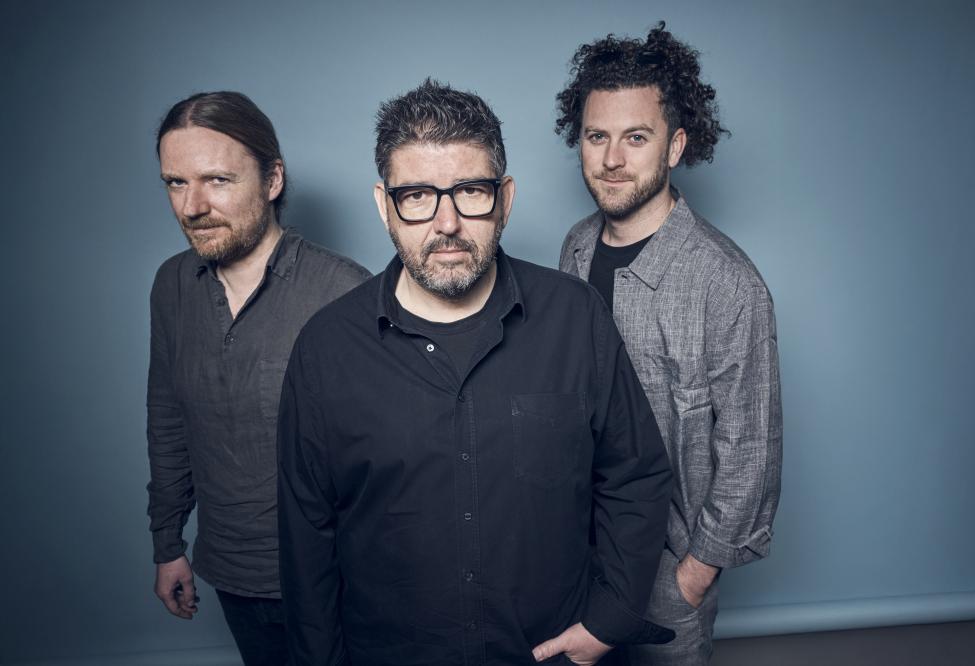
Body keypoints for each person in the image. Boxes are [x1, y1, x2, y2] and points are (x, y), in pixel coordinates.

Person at [277, 79, 675, 666]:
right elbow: (306, 536)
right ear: (385, 206)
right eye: (417, 196)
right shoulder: (325, 348)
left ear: (505, 199)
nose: (447, 223)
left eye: (470, 192)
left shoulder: (576, 317)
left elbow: (634, 476)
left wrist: (609, 619)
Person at [556, 22, 783, 666]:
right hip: (574, 552)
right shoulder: (575, 246)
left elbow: (750, 448)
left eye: (636, 137)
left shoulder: (727, 282)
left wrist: (694, 575)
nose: (612, 159)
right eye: (596, 136)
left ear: (676, 145)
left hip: (667, 575)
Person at [146, 91, 371, 665]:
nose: (192, 206)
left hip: (340, 578)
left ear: (273, 180)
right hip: (232, 574)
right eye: (176, 183)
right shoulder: (172, 286)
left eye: (218, 180)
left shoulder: (344, 290)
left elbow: (388, 455)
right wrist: (168, 544)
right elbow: (169, 422)